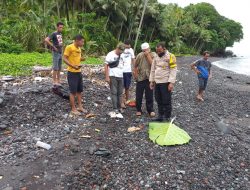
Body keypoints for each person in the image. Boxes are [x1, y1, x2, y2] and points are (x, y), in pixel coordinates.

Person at [149, 42, 177, 122]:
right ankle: (160, 116)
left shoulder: (171, 56)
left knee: (166, 100)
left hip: (165, 82)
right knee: (158, 99)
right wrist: (151, 81)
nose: (158, 53)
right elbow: (153, 69)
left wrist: (171, 83)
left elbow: (173, 69)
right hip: (157, 82)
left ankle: (167, 117)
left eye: (160, 51)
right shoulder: (156, 57)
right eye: (157, 51)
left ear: (164, 48)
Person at [63, 35, 86, 115]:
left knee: (79, 90)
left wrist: (82, 59)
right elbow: (64, 58)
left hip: (78, 71)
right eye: (82, 41)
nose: (83, 43)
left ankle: (80, 106)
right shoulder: (69, 47)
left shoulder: (79, 48)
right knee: (73, 91)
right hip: (72, 72)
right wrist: (72, 66)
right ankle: (73, 109)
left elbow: (77, 58)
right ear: (77, 40)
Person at [134, 42, 156, 117]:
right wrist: (136, 75)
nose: (145, 52)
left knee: (149, 95)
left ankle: (150, 110)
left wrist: (148, 56)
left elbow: (153, 65)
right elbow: (135, 66)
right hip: (141, 77)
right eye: (144, 51)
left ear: (149, 49)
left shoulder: (153, 55)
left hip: (150, 78)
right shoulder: (140, 55)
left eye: (146, 50)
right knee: (139, 95)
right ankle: (138, 110)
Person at [105, 43, 126, 116]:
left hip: (120, 75)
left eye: (122, 51)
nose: (121, 52)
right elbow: (106, 65)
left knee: (120, 92)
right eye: (120, 51)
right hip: (113, 75)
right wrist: (107, 76)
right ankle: (115, 108)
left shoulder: (122, 55)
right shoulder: (110, 54)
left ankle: (119, 107)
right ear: (117, 48)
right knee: (114, 92)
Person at [120, 40, 135, 108]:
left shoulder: (131, 50)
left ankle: (127, 100)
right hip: (121, 71)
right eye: (128, 45)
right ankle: (122, 102)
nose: (129, 47)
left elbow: (133, 60)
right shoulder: (121, 50)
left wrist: (134, 69)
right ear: (125, 44)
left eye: (129, 46)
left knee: (127, 87)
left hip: (128, 71)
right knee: (122, 87)